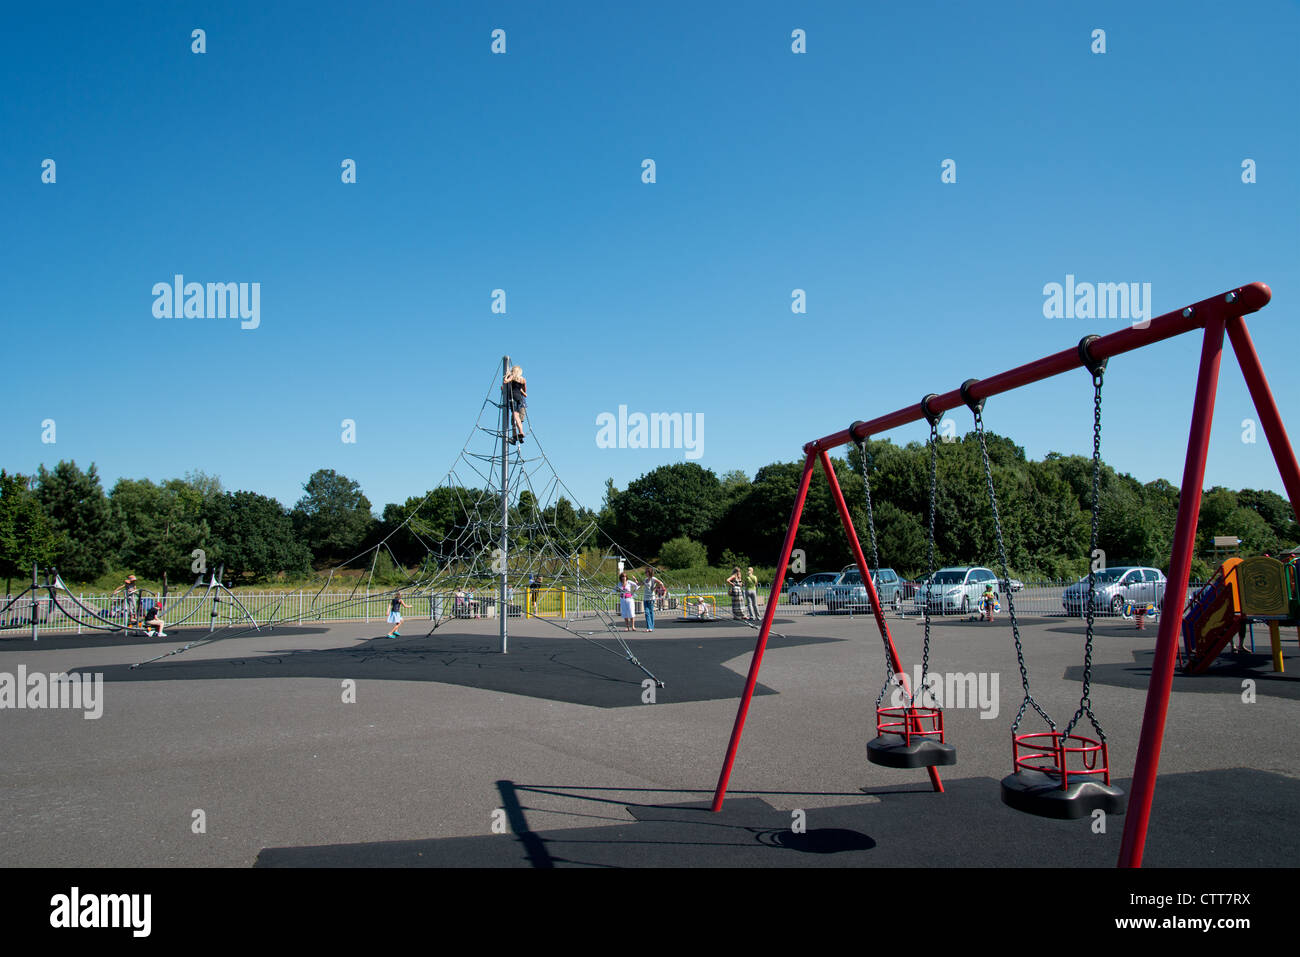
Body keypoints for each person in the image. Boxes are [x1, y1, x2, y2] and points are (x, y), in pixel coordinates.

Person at [503, 366, 528, 444]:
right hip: (519, 399)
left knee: (515, 416)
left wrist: (507, 376)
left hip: (513, 398)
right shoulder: (523, 379)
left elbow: (505, 381)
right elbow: (524, 390)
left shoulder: (512, 377)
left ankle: (520, 433)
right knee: (516, 417)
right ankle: (519, 433)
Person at [641, 567, 664, 632]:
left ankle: (651, 627)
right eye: (645, 572)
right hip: (645, 598)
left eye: (647, 572)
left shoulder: (653, 579)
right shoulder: (645, 579)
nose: (646, 573)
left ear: (650, 572)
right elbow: (640, 584)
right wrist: (636, 581)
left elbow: (661, 583)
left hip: (651, 598)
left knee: (650, 612)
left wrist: (654, 588)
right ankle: (649, 627)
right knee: (647, 612)